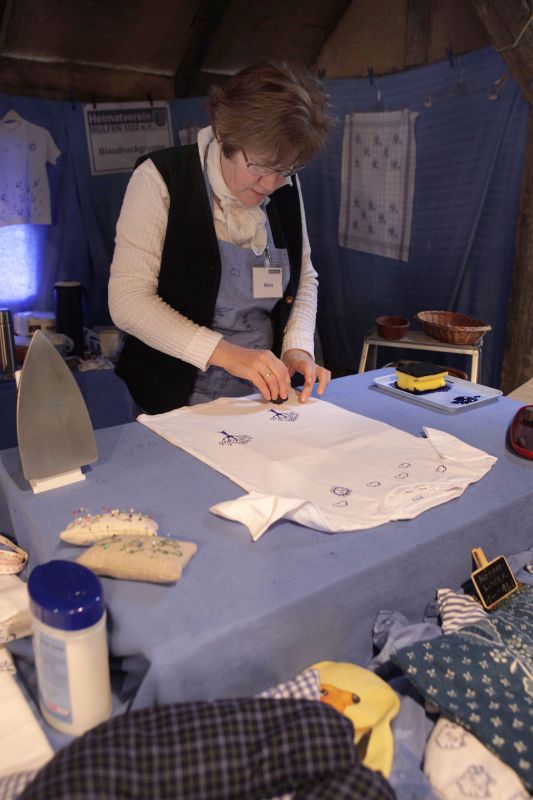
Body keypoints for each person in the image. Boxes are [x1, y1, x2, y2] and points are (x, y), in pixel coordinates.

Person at [108, 61, 332, 415]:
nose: (270, 184)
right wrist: (228, 355)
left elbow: (304, 279)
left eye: (284, 169)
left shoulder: (283, 184)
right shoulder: (161, 179)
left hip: (258, 397)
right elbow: (128, 301)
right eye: (260, 166)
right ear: (225, 135)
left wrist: (297, 347)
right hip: (172, 399)